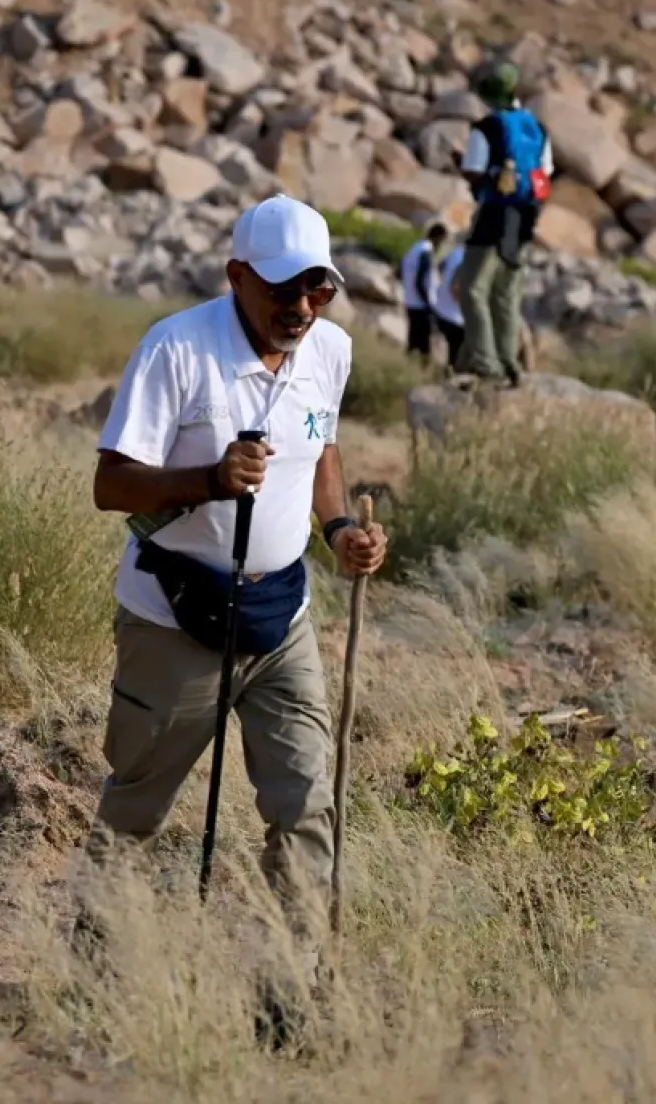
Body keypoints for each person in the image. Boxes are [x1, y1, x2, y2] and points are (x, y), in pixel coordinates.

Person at [82, 193, 389, 1040]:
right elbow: (111, 484)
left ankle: (288, 1001)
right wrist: (208, 480)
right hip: (174, 618)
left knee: (304, 805)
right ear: (238, 276)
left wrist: (338, 531)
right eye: (283, 289)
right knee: (137, 810)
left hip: (280, 618)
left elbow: (320, 453)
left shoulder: (329, 350)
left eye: (318, 290)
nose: (300, 308)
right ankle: (93, 975)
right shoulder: (176, 348)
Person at [455, 61, 553, 386]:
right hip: (525, 219)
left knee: (472, 288)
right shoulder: (537, 128)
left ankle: (486, 362)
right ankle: (508, 358)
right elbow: (546, 172)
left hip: (493, 217)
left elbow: (474, 169)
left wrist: (465, 170)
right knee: (507, 294)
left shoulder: (486, 128)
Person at [399, 222, 448, 359]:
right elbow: (420, 281)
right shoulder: (425, 252)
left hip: (410, 301)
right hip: (420, 305)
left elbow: (401, 272)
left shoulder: (414, 248)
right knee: (423, 346)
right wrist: (427, 302)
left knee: (413, 341)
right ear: (438, 238)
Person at [433, 242, 468, 373]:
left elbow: (439, 267)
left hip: (440, 311)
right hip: (455, 320)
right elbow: (455, 290)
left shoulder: (456, 251)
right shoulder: (470, 260)